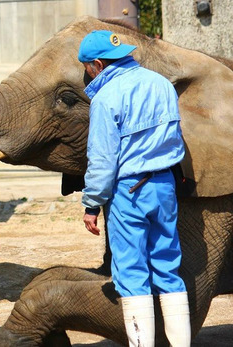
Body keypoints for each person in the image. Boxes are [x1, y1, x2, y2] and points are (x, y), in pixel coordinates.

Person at [78, 30, 191, 347]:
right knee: (168, 268)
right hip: (165, 184)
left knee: (131, 274)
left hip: (130, 191)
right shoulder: (162, 85)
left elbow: (102, 161)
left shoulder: (105, 99)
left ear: (97, 65)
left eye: (86, 67)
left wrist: (91, 204)